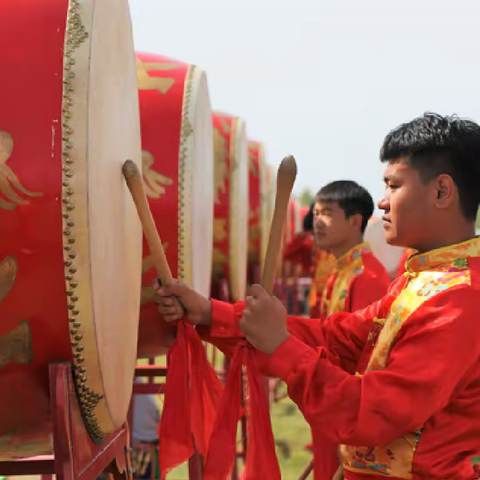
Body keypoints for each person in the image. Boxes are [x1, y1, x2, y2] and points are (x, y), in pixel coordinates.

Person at [157, 113, 480, 479]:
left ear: (441, 191)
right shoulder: (420, 282)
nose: (383, 201)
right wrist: (213, 315)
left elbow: (373, 413)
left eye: (394, 185)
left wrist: (279, 344)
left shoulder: (458, 299)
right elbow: (336, 338)